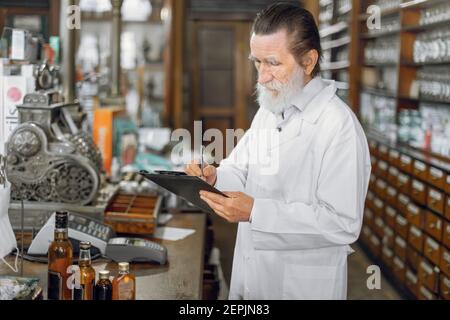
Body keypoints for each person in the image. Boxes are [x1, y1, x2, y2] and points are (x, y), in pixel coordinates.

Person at [185, 2, 371, 300]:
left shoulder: (338, 126)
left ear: (309, 61)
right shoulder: (271, 111)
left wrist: (257, 211)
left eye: (272, 63)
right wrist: (215, 177)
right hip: (253, 274)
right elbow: (241, 169)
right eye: (257, 62)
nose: (261, 77)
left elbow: (342, 223)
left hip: (302, 286)